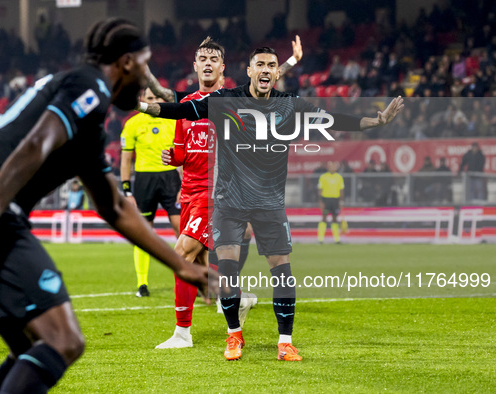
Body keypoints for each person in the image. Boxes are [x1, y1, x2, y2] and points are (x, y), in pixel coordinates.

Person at [0, 19, 214, 393]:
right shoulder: (89, 84)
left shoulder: (87, 124)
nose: (147, 81)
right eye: (144, 66)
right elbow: (37, 143)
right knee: (65, 341)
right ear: (126, 62)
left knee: (32, 347)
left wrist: (181, 266)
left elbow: (113, 207)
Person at [137, 46, 404, 361]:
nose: (266, 70)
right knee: (227, 270)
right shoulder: (226, 101)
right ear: (249, 70)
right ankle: (234, 337)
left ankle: (285, 342)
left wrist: (374, 122)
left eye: (272, 65)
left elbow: (331, 119)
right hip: (230, 202)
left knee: (282, 269)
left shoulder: (290, 104)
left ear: (277, 72)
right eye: (259, 64)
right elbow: (178, 111)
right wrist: (140, 106)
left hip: (269, 202)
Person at [147, 36, 303, 349]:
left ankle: (183, 333)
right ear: (194, 66)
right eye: (201, 58)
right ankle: (237, 299)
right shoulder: (188, 105)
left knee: (182, 254)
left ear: (223, 67)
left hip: (219, 192)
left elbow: (267, 77)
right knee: (202, 263)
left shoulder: (234, 98)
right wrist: (174, 159)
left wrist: (291, 63)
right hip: (189, 192)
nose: (207, 63)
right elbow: (181, 148)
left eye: (213, 59)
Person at [120, 87, 181, 297]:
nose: (153, 101)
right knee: (143, 233)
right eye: (149, 98)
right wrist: (127, 190)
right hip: (144, 180)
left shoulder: (172, 120)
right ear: (142, 100)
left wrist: (184, 184)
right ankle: (142, 284)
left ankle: (187, 279)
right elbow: (126, 159)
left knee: (182, 230)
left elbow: (181, 155)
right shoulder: (132, 124)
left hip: (170, 178)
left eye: (156, 98)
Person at [317, 161, 344, 244]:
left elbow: (341, 190)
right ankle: (320, 239)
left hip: (335, 200)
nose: (333, 168)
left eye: (334, 166)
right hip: (326, 199)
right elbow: (320, 190)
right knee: (324, 218)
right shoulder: (323, 177)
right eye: (331, 166)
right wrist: (321, 201)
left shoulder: (339, 177)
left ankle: (337, 239)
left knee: (335, 219)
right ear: (328, 168)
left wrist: (341, 202)